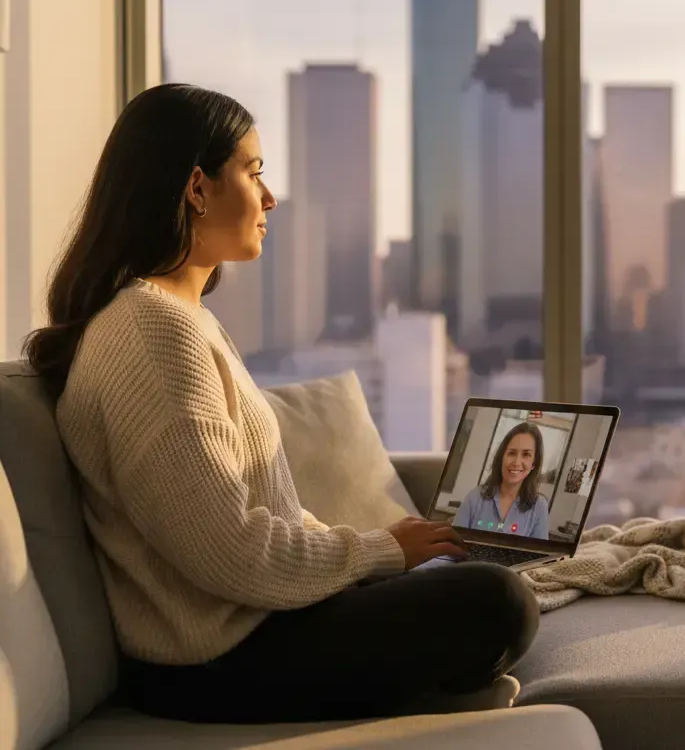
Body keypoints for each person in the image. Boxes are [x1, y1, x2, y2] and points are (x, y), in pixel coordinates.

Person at [24, 84, 538, 725]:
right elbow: (230, 552)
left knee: (483, 581)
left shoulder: (181, 319)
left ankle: (437, 690)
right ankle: (440, 694)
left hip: (257, 631)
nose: (270, 198)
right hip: (218, 663)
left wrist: (380, 557)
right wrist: (382, 551)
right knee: (499, 601)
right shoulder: (151, 331)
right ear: (196, 188)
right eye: (254, 171)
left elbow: (256, 521)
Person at [454, 423, 550, 540]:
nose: (516, 462)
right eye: (512, 453)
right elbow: (452, 547)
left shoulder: (539, 507)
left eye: (526, 454)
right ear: (502, 457)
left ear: (534, 464)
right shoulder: (475, 497)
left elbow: (540, 556)